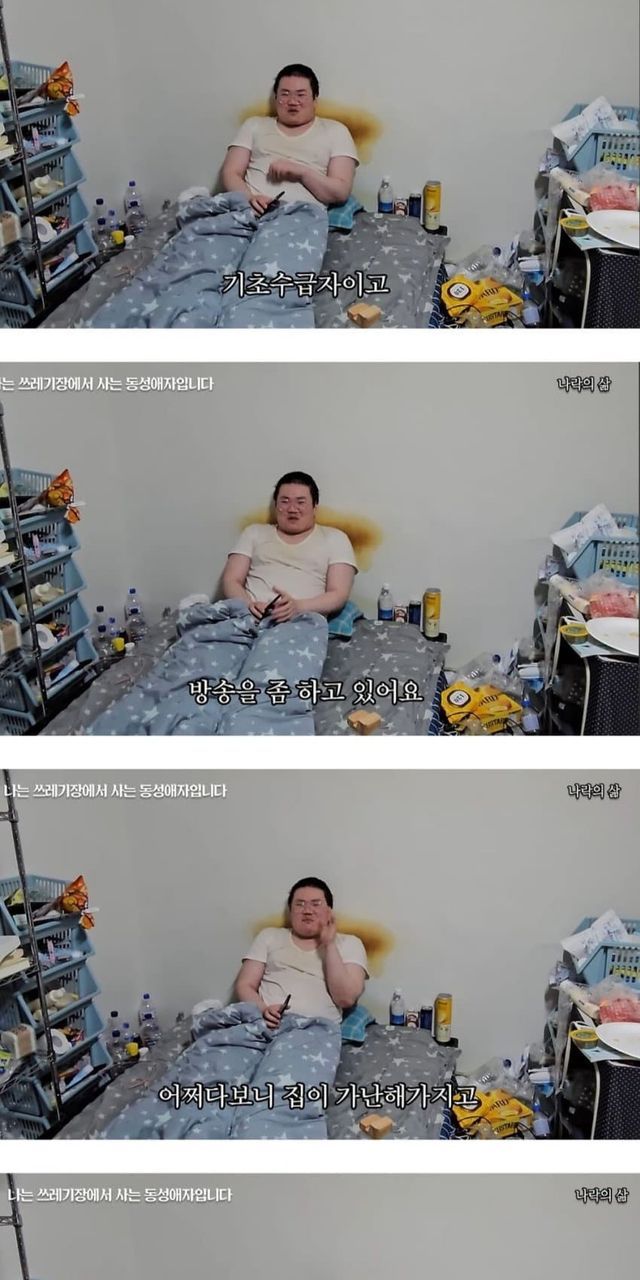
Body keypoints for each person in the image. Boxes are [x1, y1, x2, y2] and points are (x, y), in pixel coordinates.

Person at [222, 63, 358, 215]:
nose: (292, 102)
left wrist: (301, 172)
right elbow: (231, 173)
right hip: (246, 210)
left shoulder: (336, 131)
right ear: (276, 98)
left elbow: (340, 193)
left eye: (301, 95)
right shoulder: (254, 125)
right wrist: (249, 200)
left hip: (301, 215)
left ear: (315, 99)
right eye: (285, 94)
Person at [222, 470, 357, 623]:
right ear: (276, 505)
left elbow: (338, 594)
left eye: (301, 502)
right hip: (247, 617)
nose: (292, 509)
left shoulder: (335, 538)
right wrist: (248, 606)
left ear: (314, 507)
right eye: (285, 501)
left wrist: (297, 607)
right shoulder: (254, 532)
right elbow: (231, 580)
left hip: (302, 621)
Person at [234, 877, 368, 1027]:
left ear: (329, 911)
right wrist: (263, 1010)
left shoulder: (350, 943)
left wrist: (329, 945)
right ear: (290, 910)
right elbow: (245, 985)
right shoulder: (269, 936)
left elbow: (346, 999)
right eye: (300, 904)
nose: (307, 911)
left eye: (316, 904)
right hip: (265, 1024)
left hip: (317, 1029)